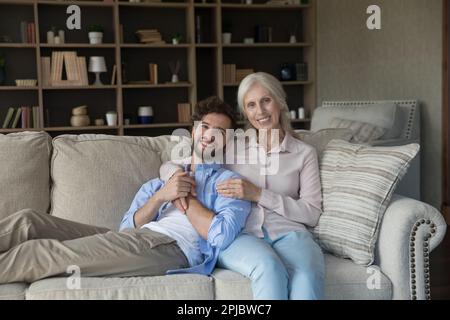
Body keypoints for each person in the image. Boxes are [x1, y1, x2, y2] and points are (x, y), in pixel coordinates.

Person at [0, 96, 251, 284]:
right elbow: (127, 228)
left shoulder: (229, 182)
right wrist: (163, 195)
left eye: (219, 132)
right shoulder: (160, 182)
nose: (209, 136)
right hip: (135, 238)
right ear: (194, 129)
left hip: (172, 248)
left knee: (37, 253)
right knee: (27, 221)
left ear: (227, 141)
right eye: (205, 127)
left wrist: (184, 195)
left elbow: (221, 236)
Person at [160, 72, 325, 300]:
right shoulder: (232, 146)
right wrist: (176, 175)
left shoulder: (304, 153)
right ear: (245, 112)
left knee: (306, 276)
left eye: (266, 100)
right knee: (269, 268)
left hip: (290, 233)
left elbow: (312, 213)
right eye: (251, 105)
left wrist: (258, 194)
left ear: (280, 101)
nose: (260, 111)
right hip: (240, 234)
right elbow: (175, 162)